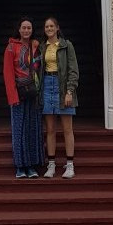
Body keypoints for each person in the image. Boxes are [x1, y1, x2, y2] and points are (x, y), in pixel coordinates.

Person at [2, 16, 44, 178]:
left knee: (33, 129)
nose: (26, 30)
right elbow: (8, 73)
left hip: (34, 93)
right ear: (19, 29)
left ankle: (32, 165)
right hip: (19, 92)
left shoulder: (36, 46)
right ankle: (20, 166)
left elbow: (40, 70)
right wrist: (12, 96)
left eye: (29, 28)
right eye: (24, 27)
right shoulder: (11, 48)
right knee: (19, 130)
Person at [41, 16, 79, 179]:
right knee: (50, 129)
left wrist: (69, 91)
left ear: (57, 28)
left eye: (51, 26)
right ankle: (51, 165)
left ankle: (69, 165)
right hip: (47, 84)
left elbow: (73, 69)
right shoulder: (43, 47)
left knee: (67, 128)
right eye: (46, 26)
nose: (49, 29)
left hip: (63, 86)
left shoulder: (66, 45)